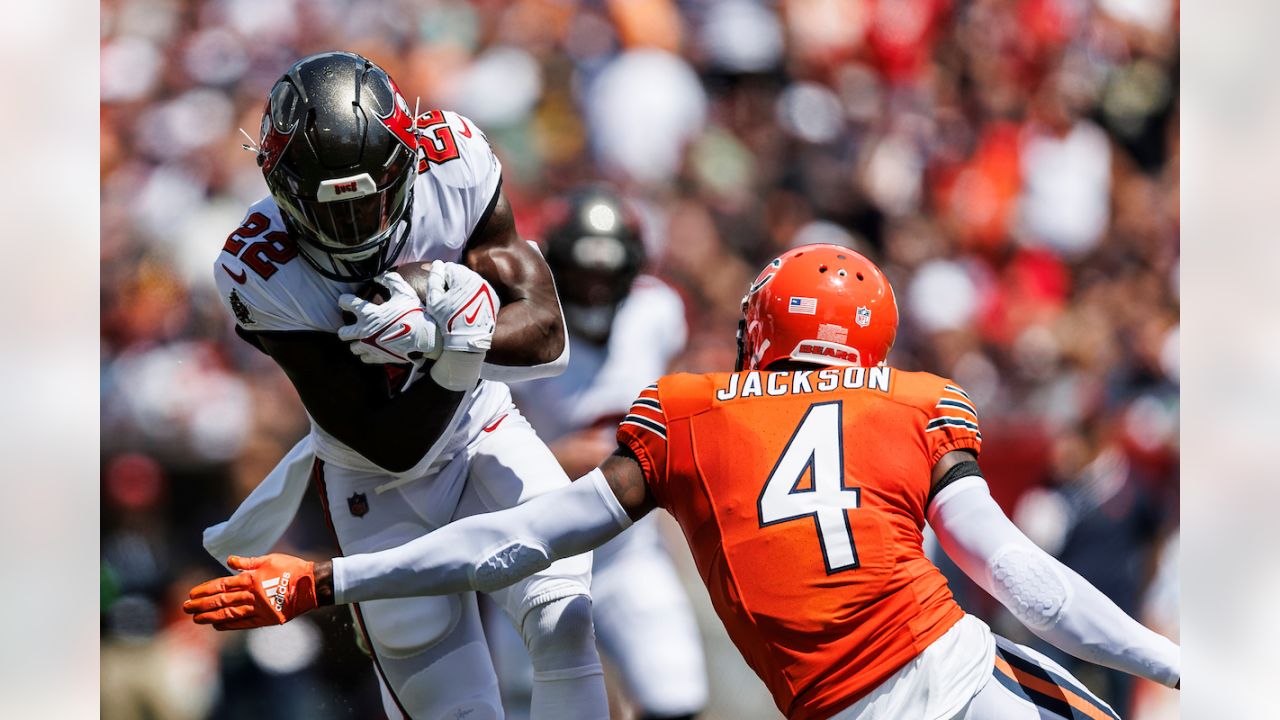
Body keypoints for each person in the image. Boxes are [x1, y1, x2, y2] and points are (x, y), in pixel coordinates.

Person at [188, 244, 1181, 719]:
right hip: (972, 680)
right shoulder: (914, 402)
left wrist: (329, 579)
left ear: (765, 328)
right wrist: (1177, 666)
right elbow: (1013, 576)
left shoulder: (693, 414)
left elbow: (518, 539)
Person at [202, 51, 608, 720]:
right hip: (375, 478)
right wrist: (451, 346)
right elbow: (394, 444)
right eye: (333, 212)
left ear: (407, 163)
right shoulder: (258, 267)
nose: (357, 227)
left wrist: (437, 339)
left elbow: (546, 335)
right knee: (458, 711)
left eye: (369, 202)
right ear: (283, 191)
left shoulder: (454, 160)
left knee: (562, 616)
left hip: (483, 427)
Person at [490, 187, 708, 720]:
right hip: (534, 556)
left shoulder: (656, 311)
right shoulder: (511, 325)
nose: (593, 291)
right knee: (530, 708)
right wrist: (549, 459)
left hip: (628, 551)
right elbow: (469, 443)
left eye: (607, 277)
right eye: (582, 274)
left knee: (677, 696)